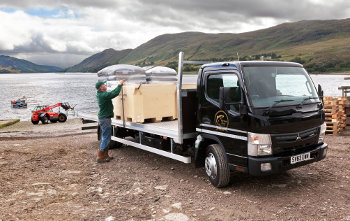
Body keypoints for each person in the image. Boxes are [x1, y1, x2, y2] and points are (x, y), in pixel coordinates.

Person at [95, 79, 125, 163]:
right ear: (101, 88)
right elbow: (114, 93)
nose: (105, 85)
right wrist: (120, 85)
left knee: (106, 136)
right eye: (104, 85)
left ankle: (105, 155)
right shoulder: (103, 95)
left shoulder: (101, 94)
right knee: (106, 137)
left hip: (104, 118)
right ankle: (100, 156)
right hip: (105, 118)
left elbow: (110, 93)